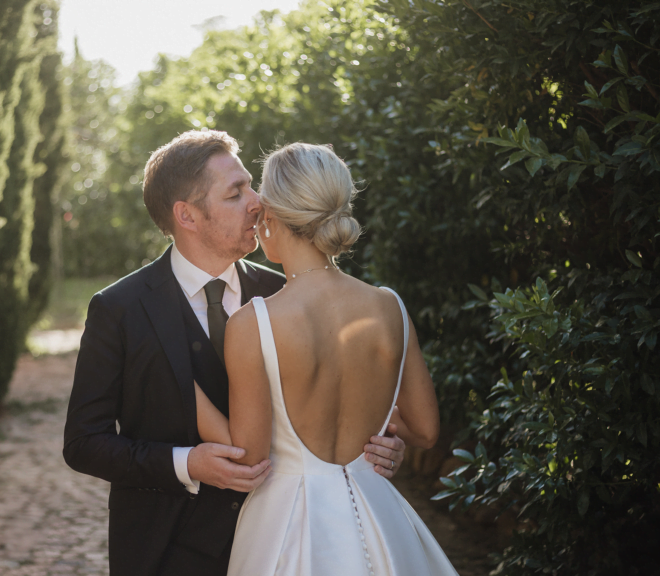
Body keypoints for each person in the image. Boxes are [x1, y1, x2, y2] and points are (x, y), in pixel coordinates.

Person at [62, 131, 407, 576]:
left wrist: (378, 443)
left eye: (251, 185)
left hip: (284, 543)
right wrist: (187, 463)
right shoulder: (119, 309)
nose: (258, 201)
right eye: (235, 193)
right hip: (165, 549)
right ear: (187, 215)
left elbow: (336, 400)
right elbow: (84, 444)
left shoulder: (285, 292)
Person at [193, 143, 460, 576]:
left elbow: (249, 457)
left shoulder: (255, 322)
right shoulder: (389, 306)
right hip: (380, 516)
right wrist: (379, 429)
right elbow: (426, 430)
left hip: (288, 528)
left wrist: (184, 392)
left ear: (271, 218)